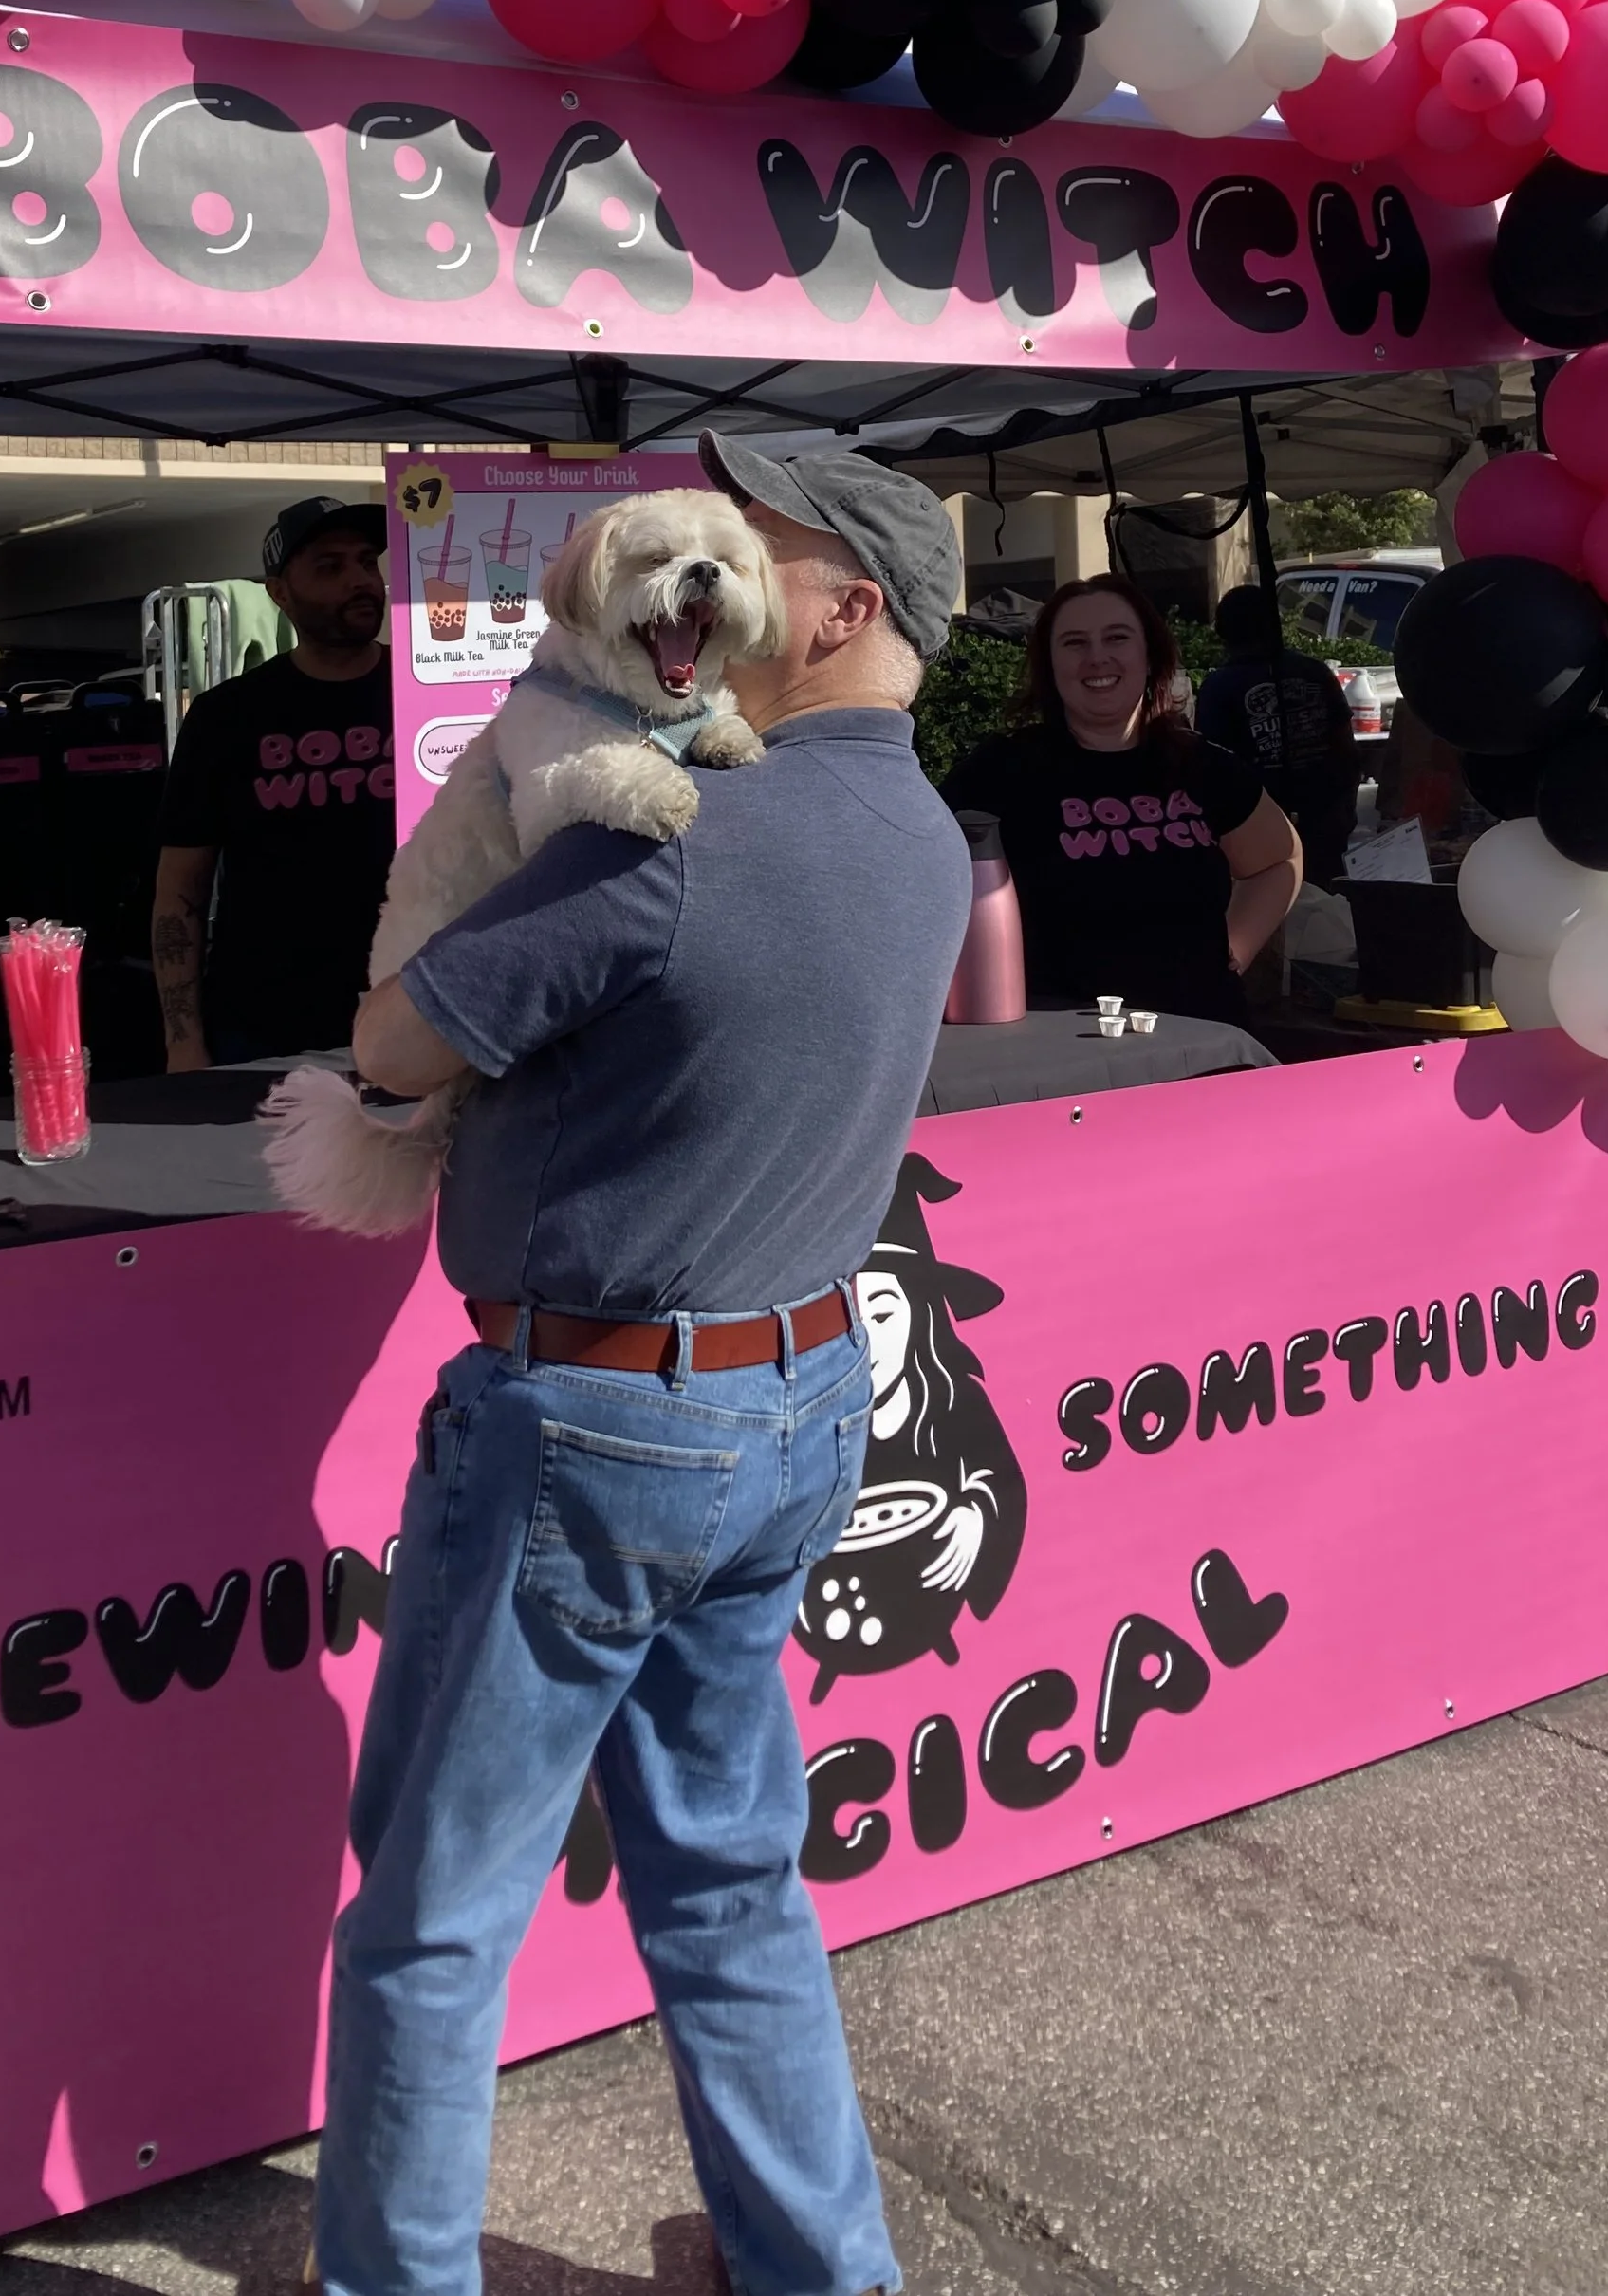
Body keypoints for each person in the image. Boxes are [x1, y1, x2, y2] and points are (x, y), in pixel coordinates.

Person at [312, 436, 972, 2296]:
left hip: (595, 1424)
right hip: (796, 1400)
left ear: (839, 606)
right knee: (728, 1878)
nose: (712, 591)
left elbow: (394, 1041)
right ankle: (817, 2266)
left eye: (753, 555)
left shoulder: (665, 834)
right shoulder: (928, 835)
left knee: (437, 1915)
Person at [943, 573, 1301, 1025]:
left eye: (1117, 638)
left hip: (1200, 1035)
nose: (1097, 657)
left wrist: (1235, 949)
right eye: (1074, 643)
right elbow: (925, 880)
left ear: (1149, 656)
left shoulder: (1201, 765)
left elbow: (1279, 860)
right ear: (1049, 664)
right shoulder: (1001, 770)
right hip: (1059, 1042)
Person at [149, 495, 394, 1069]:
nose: (360, 581)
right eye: (330, 567)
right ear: (279, 592)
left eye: (367, 561)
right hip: (265, 1030)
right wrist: (183, 1042)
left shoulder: (428, 695)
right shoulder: (225, 716)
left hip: (415, 1013)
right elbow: (180, 892)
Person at [1192, 583, 1362, 887]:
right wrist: (1344, 809)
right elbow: (1347, 749)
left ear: (1223, 633)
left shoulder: (1219, 688)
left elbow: (1213, 768)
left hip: (1258, 829)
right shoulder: (1315, 672)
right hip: (1324, 821)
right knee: (1327, 907)